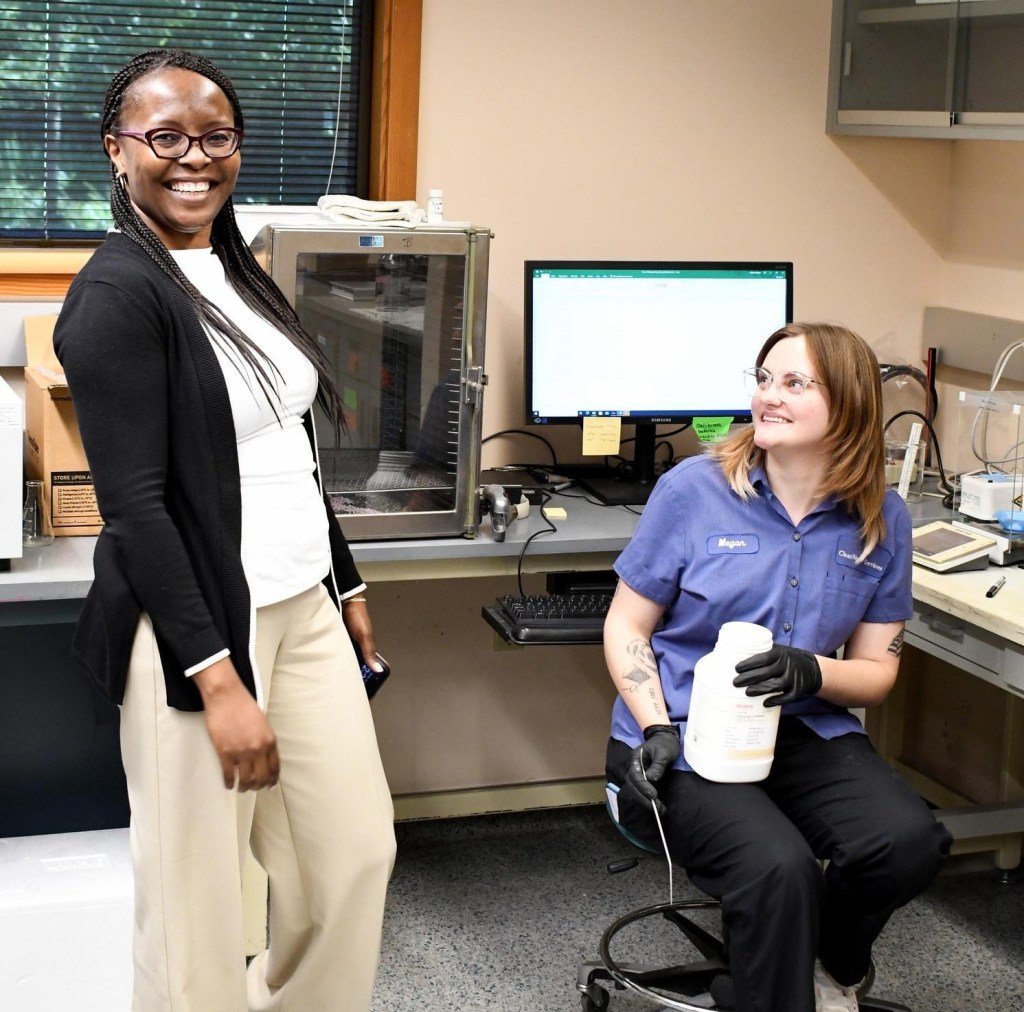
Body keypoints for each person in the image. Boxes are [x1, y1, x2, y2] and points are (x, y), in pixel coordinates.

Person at [53, 49, 396, 1012]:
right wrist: (217, 680)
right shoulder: (117, 296)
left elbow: (292, 451)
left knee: (354, 854)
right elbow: (138, 508)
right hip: (194, 630)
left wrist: (349, 584)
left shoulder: (233, 269)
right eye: (164, 136)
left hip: (303, 604)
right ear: (117, 152)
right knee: (198, 904)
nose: (193, 156)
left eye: (215, 135)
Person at [603, 322, 952, 1012]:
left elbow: (877, 672)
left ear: (848, 402)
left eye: (794, 383)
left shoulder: (882, 518)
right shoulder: (693, 491)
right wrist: (655, 726)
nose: (768, 396)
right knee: (777, 869)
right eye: (763, 379)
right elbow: (626, 625)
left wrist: (812, 672)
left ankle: (822, 966)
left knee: (907, 842)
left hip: (803, 732)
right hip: (683, 734)